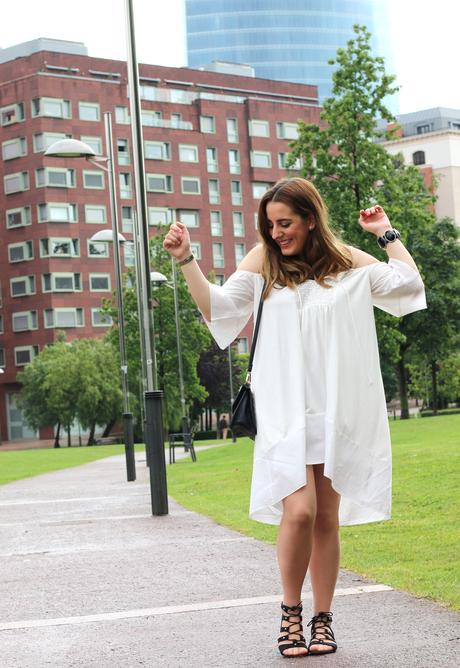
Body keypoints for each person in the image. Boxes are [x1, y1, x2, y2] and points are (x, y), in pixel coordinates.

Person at [163, 178, 426, 658]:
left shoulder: (346, 263)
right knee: (298, 511)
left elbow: (408, 286)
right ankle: (290, 613)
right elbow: (219, 310)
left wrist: (386, 233)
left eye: (285, 223)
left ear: (310, 218)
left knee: (326, 517)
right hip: (285, 411)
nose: (277, 233)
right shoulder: (263, 263)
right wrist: (186, 260)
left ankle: (323, 619)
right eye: (270, 225)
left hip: (336, 410)